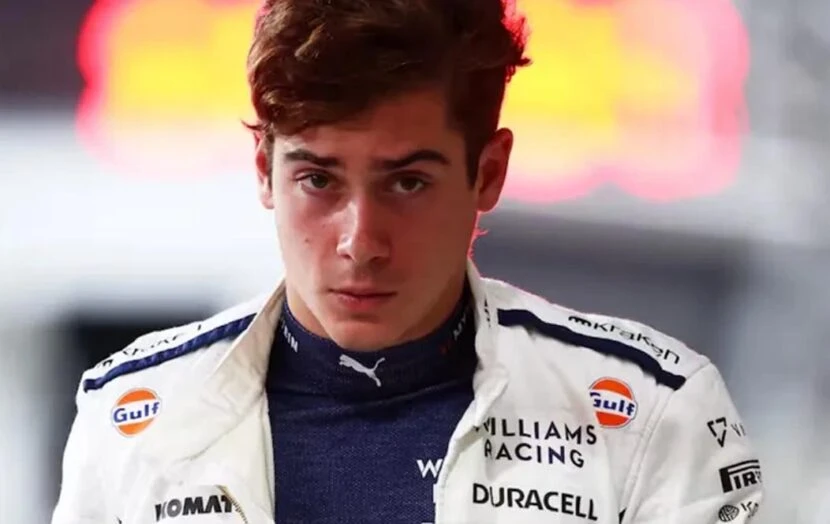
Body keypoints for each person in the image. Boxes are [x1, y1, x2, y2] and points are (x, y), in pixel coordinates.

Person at [52, 0, 764, 523]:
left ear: (488, 173)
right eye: (319, 180)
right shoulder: (131, 417)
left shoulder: (655, 412)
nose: (360, 242)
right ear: (265, 170)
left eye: (408, 183)